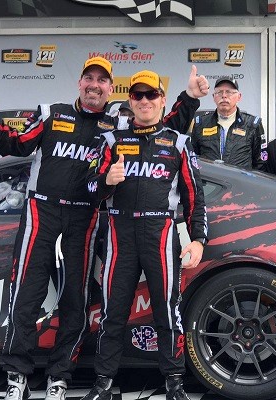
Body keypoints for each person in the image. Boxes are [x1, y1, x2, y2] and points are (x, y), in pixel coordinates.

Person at [0, 57, 210, 400]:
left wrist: (190, 98)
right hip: (42, 211)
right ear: (79, 83)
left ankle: (60, 377)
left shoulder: (118, 125)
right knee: (26, 294)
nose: (94, 85)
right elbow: (14, 145)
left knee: (75, 300)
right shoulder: (52, 113)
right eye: (89, 78)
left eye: (102, 80)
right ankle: (17, 376)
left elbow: (158, 127)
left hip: (86, 217)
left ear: (111, 89)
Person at [82, 70, 208, 400]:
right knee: (112, 312)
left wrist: (198, 239)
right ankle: (103, 383)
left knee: (167, 310)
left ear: (162, 100)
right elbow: (89, 190)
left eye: (151, 94)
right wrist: (106, 181)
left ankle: (175, 383)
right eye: (138, 95)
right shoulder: (111, 141)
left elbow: (194, 197)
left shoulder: (178, 142)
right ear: (130, 101)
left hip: (160, 233)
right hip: (119, 233)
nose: (144, 101)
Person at [190, 76, 266, 169]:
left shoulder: (252, 124)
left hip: (240, 178)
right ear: (214, 97)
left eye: (229, 92)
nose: (224, 96)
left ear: (239, 97)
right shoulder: (201, 123)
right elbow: (193, 159)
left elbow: (260, 163)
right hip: (209, 178)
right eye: (219, 92)